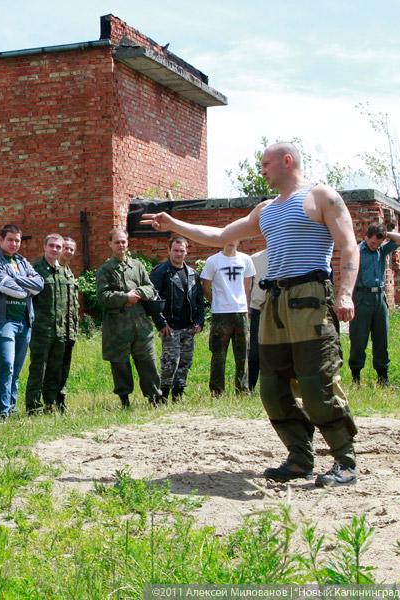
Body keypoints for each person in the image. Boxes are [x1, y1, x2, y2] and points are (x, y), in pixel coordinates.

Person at [141, 141, 360, 487]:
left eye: (266, 163)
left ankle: (345, 461)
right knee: (271, 388)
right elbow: (220, 236)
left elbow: (348, 246)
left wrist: (345, 294)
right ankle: (300, 458)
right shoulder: (266, 210)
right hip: (273, 302)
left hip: (310, 298)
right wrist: (173, 223)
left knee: (316, 383)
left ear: (287, 161)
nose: (262, 170)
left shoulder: (321, 196)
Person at [96, 228, 164, 407]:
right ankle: (124, 400)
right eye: (117, 242)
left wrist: (138, 293)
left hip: (141, 325)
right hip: (117, 327)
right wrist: (125, 297)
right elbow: (103, 297)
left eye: (123, 241)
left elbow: (151, 288)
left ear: (128, 243)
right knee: (120, 365)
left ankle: (154, 398)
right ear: (110, 244)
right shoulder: (105, 270)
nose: (120, 245)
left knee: (148, 362)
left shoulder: (137, 265)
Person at [0, 224, 44, 420]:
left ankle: (12, 408)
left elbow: (39, 285)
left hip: (24, 320)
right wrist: (26, 287)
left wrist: (16, 278)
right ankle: (2, 413)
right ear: (0, 240)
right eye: (10, 239)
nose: (14, 243)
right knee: (6, 364)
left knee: (16, 368)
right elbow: (7, 286)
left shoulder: (22, 261)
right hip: (3, 321)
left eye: (17, 240)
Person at [25, 234, 80, 414]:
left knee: (55, 369)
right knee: (38, 369)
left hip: (61, 330)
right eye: (52, 246)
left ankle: (49, 404)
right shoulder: (35, 269)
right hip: (41, 329)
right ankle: (33, 406)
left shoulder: (64, 272)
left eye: (58, 247)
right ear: (45, 246)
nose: (55, 249)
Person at [348, 220, 400, 385]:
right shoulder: (357, 251)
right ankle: (356, 378)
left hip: (380, 299)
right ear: (366, 237)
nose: (375, 246)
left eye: (378, 243)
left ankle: (383, 378)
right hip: (362, 298)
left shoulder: (382, 249)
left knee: (382, 339)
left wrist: (385, 234)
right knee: (359, 340)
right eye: (372, 242)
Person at [150, 236, 205, 402]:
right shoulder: (160, 272)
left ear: (186, 252)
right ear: (169, 251)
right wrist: (160, 322)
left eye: (182, 251)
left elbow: (199, 300)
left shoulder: (193, 274)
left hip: (189, 327)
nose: (179, 254)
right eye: (175, 250)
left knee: (185, 363)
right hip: (170, 326)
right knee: (170, 363)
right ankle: (162, 397)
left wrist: (200, 321)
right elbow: (152, 299)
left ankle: (178, 395)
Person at [201, 241, 255, 396]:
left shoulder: (246, 260)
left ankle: (243, 390)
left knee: (243, 354)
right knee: (218, 354)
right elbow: (205, 287)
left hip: (240, 312)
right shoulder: (213, 261)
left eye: (235, 237)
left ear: (239, 240)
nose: (231, 240)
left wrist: (245, 305)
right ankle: (217, 391)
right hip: (221, 314)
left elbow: (248, 286)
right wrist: (216, 302)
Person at [57, 237, 81, 408]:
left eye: (72, 249)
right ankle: (50, 400)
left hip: (69, 329)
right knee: (53, 366)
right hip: (54, 329)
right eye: (66, 247)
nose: (68, 251)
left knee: (65, 366)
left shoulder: (69, 272)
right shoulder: (53, 270)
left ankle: (61, 399)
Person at [248, 249, 269, 391]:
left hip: (280, 309)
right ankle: (249, 387)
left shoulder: (288, 254)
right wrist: (247, 305)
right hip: (258, 309)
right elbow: (248, 285)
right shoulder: (254, 259)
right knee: (254, 352)